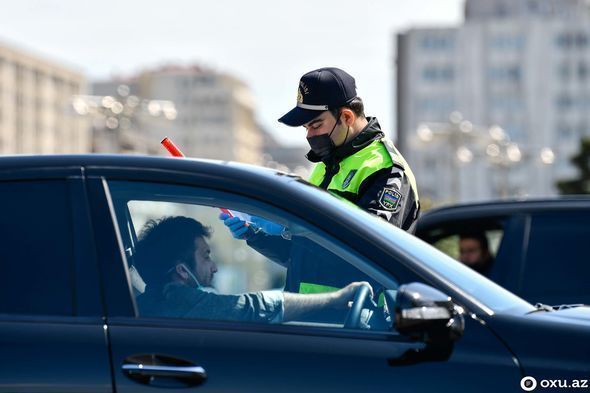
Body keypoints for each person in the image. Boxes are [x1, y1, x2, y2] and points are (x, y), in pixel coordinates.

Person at [219, 67, 419, 295]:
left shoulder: (386, 168)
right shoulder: (326, 165)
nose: (309, 135)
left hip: (357, 319)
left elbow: (368, 251)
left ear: (346, 117)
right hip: (310, 313)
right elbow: (303, 255)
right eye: (306, 128)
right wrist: (254, 235)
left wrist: (292, 221)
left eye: (315, 125)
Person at [134, 216, 372, 324]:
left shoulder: (154, 301)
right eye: (206, 256)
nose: (215, 267)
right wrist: (335, 298)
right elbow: (255, 308)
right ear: (182, 271)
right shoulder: (179, 300)